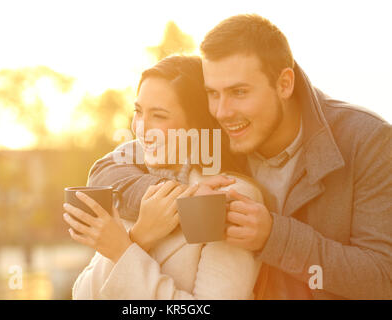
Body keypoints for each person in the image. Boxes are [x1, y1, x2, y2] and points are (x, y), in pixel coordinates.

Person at [85, 14, 392, 299]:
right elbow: (108, 167)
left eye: (239, 92)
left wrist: (274, 237)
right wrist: (178, 201)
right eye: (212, 93)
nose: (221, 111)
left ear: (284, 84)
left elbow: (382, 279)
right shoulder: (212, 133)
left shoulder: (368, 141)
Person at [64, 55, 267, 299]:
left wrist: (123, 250)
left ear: (197, 124)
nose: (141, 128)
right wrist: (139, 237)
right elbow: (84, 296)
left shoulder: (230, 195)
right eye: (138, 112)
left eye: (159, 116)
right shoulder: (138, 185)